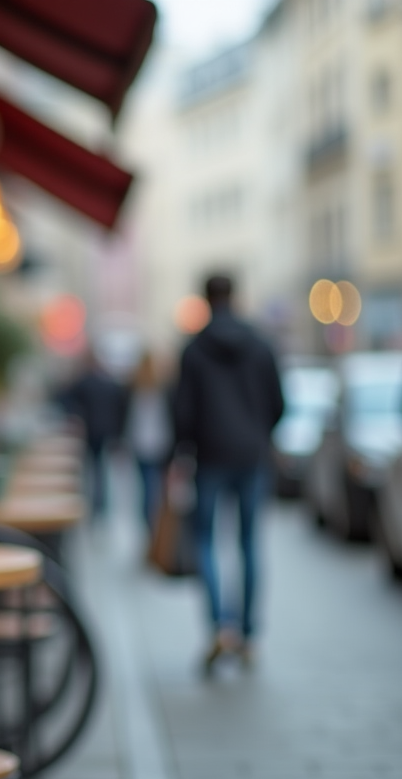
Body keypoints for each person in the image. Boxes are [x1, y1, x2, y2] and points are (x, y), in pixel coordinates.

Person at [173, 274, 283, 672]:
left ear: (205, 298)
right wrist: (259, 434)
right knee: (250, 543)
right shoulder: (260, 343)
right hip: (252, 455)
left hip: (209, 456)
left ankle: (220, 628)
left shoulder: (194, 348)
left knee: (205, 542)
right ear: (235, 296)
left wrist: (181, 451)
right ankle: (250, 635)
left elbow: (182, 412)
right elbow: (278, 403)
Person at [57, 351, 126, 524]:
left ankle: (92, 504)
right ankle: (101, 506)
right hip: (105, 431)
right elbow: (119, 410)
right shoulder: (110, 382)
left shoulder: (84, 382)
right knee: (100, 469)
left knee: (91, 468)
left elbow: (63, 398)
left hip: (90, 430)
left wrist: (76, 416)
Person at [123, 350, 174, 538]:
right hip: (159, 443)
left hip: (140, 444)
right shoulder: (163, 389)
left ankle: (150, 526)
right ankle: (154, 527)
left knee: (146, 487)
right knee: (155, 488)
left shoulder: (134, 389)